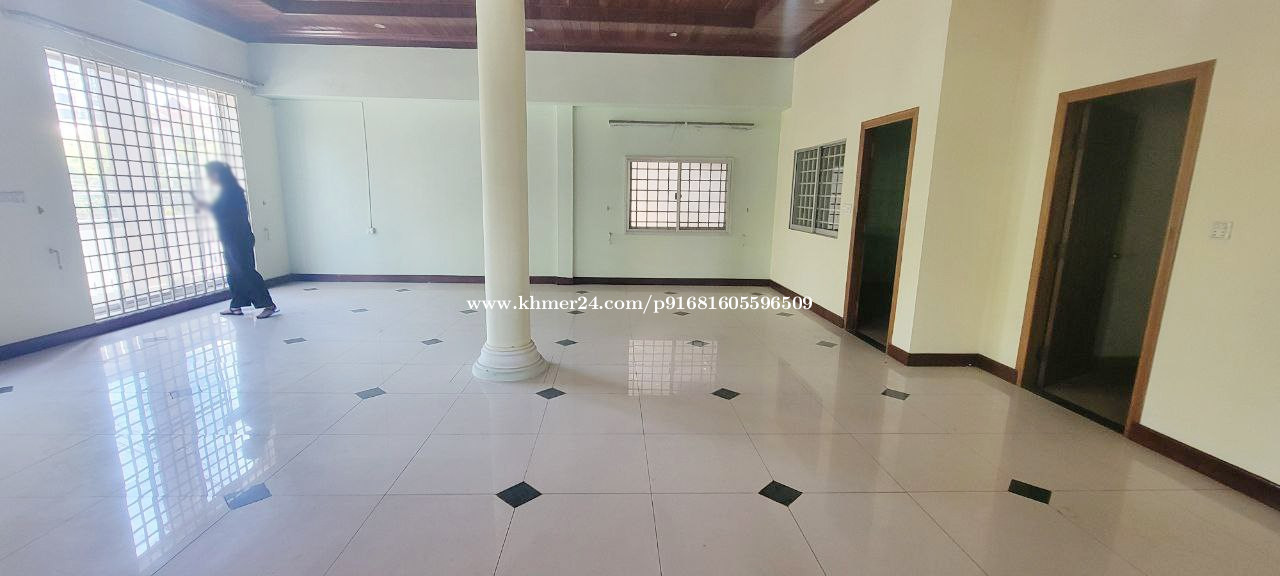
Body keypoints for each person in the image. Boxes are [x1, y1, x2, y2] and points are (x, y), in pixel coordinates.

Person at [193, 161, 278, 319]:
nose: (209, 179)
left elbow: (227, 214)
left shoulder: (232, 192)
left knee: (245, 271)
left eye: (209, 176)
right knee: (233, 273)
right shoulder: (227, 191)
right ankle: (236, 305)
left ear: (216, 174)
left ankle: (268, 304)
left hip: (239, 239)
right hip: (231, 238)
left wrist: (206, 206)